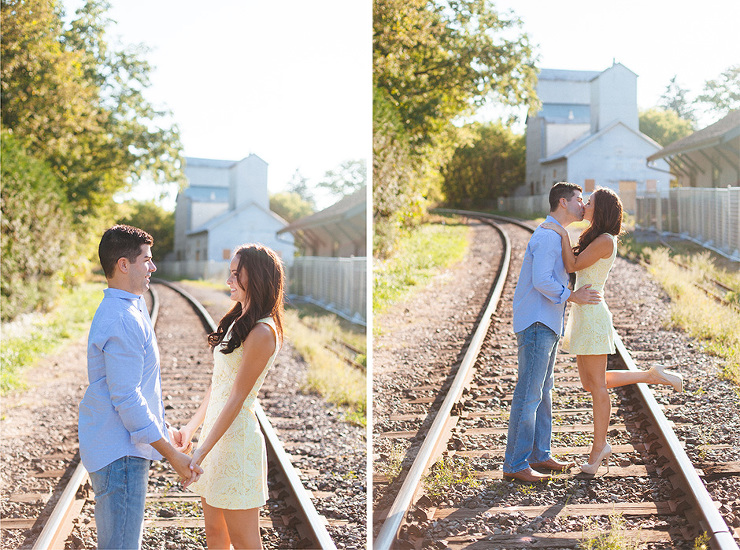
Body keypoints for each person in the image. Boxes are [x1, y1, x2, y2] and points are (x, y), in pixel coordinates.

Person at [542, 187, 683, 475]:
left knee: (598, 388)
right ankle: (650, 375)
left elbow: (572, 265)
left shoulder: (606, 240)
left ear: (600, 209)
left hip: (593, 316)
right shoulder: (595, 236)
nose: (584, 205)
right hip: (584, 313)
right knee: (590, 383)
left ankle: (598, 450)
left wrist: (559, 232)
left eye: (589, 202)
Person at [78, 224, 202, 550]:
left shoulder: (130, 306)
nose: (153, 267)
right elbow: (127, 398)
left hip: (119, 447)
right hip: (122, 456)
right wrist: (172, 454)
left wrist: (162, 427)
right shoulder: (124, 317)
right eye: (146, 259)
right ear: (123, 264)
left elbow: (133, 388)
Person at [176, 243, 285, 550]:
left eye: (236, 274)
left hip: (235, 443)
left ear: (258, 277)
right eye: (230, 273)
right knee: (215, 533)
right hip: (215, 439)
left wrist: (199, 453)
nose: (229, 281)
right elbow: (218, 384)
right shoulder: (239, 320)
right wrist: (191, 429)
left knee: (244, 541)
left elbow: (236, 398)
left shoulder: (263, 332)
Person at [503, 182, 602, 483]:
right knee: (529, 393)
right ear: (563, 202)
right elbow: (542, 280)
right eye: (578, 200)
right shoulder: (548, 236)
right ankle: (515, 464)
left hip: (546, 320)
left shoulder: (556, 233)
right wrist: (574, 296)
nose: (583, 205)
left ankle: (539, 455)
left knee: (543, 391)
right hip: (537, 322)